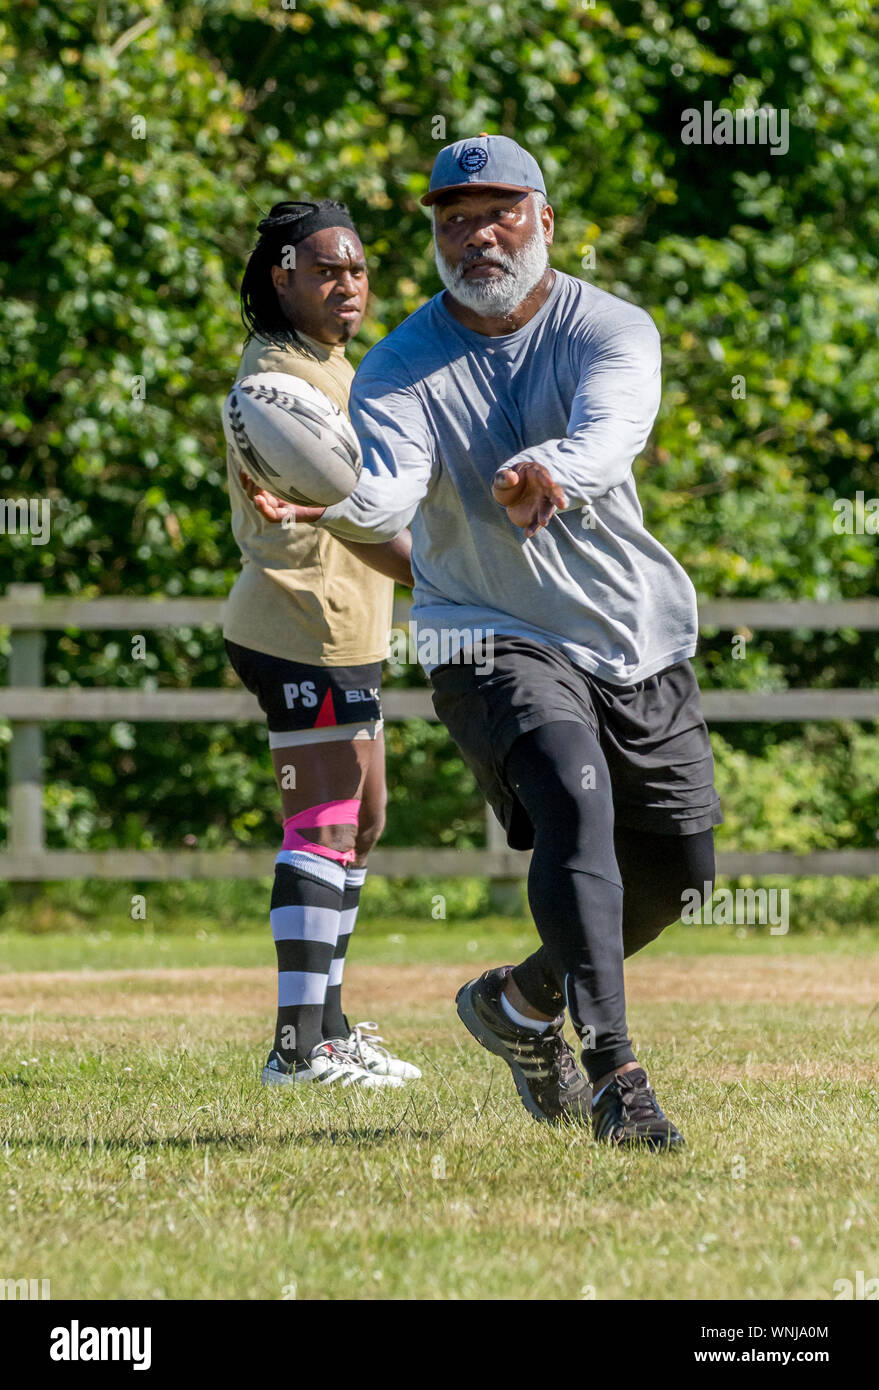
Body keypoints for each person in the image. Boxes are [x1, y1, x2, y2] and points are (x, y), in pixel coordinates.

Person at [256, 138, 723, 1150]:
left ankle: (521, 999)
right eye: (452, 218)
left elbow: (611, 431)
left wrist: (551, 470)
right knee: (572, 796)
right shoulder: (400, 364)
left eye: (497, 213)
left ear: (544, 221)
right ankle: (617, 1077)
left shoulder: (609, 326)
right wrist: (327, 496)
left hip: (630, 632)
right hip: (485, 630)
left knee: (681, 869)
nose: (474, 235)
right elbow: (387, 488)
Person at [224, 198, 420, 1089]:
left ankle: (330, 1029)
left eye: (357, 269)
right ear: (283, 277)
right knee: (324, 823)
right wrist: (441, 573)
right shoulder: (277, 381)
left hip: (349, 628)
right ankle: (296, 1047)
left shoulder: (334, 365)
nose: (348, 285)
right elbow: (348, 514)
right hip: (303, 625)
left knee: (363, 821)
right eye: (326, 270)